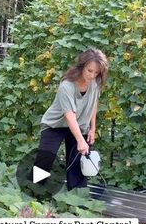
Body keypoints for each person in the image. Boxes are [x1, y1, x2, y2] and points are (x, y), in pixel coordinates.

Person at [33, 47, 108, 191]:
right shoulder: (66, 85)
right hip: (55, 125)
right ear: (81, 67)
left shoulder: (95, 83)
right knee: (45, 159)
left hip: (80, 126)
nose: (92, 75)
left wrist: (92, 128)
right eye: (89, 70)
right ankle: (34, 191)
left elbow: (93, 103)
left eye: (97, 72)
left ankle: (76, 197)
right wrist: (80, 140)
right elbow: (69, 115)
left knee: (78, 164)